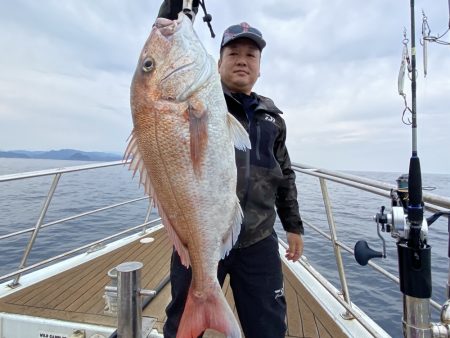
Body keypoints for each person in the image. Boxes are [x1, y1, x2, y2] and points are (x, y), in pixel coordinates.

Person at [158, 3, 304, 338]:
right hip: (201, 236)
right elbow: (166, 49)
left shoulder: (273, 119)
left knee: (267, 326)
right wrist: (177, 9)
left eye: (251, 55)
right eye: (233, 53)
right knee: (181, 324)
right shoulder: (201, 101)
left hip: (258, 238)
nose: (242, 60)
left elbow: (285, 173)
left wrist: (293, 226)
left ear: (259, 67)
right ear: (217, 63)